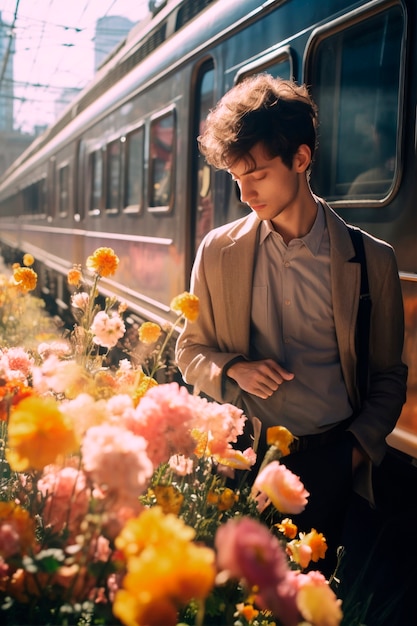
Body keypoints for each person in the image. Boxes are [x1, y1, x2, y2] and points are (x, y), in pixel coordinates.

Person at [175, 74, 407, 582]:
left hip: (330, 463)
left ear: (301, 160)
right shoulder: (218, 250)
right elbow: (189, 349)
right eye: (237, 176)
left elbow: (389, 377)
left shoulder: (372, 261)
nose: (244, 191)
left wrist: (351, 454)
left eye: (256, 173)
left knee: (310, 603)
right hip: (242, 461)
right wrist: (234, 368)